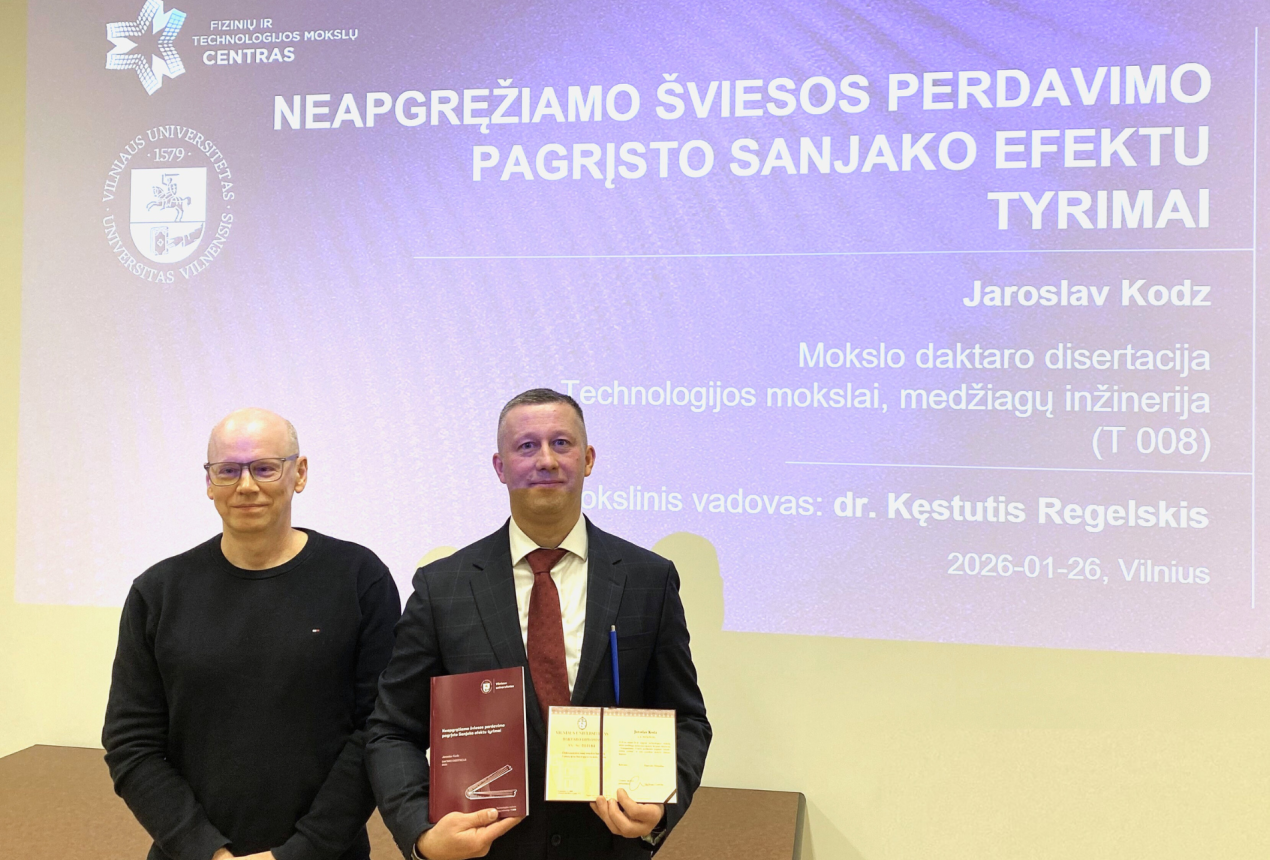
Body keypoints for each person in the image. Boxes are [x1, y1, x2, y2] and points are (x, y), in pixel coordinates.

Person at [366, 389, 711, 860]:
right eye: (526, 446)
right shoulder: (442, 587)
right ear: (500, 467)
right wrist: (421, 834)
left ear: (588, 459)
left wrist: (661, 810)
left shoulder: (648, 579)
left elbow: (687, 719)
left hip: (608, 849)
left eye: (561, 443)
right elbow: (391, 731)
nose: (545, 460)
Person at [102, 408, 401, 860]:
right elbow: (131, 743)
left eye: (264, 468)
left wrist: (299, 853)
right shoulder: (158, 592)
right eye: (228, 470)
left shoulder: (359, 579)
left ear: (300, 473)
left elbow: (377, 732)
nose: (245, 485)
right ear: (209, 482)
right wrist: (207, 851)